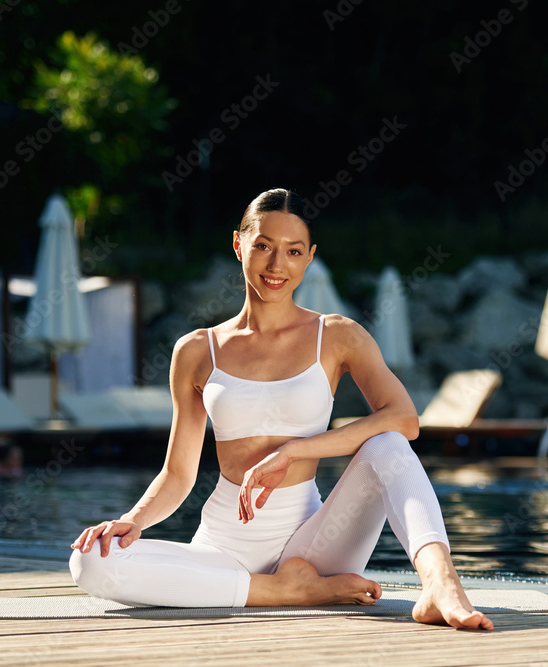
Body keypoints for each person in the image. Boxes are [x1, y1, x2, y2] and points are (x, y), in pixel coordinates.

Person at [69, 189, 493, 630]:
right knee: (90, 561)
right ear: (239, 245)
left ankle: (441, 584)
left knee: (387, 443)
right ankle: (284, 591)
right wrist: (131, 521)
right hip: (223, 547)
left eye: (293, 252)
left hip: (317, 546)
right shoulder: (197, 350)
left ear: (309, 257)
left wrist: (296, 451)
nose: (277, 266)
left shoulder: (337, 335)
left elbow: (404, 419)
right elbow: (178, 474)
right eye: (263, 247)